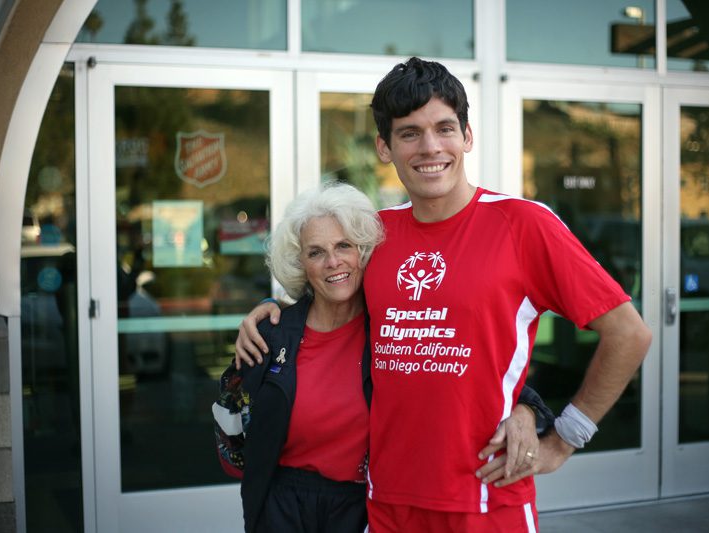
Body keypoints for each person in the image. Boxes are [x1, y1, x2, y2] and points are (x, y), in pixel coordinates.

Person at [235, 58, 652, 532]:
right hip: (388, 504)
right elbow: (333, 299)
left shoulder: (522, 224)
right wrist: (272, 312)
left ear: (467, 136)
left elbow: (628, 333)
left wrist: (562, 437)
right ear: (384, 147)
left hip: (487, 501)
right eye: (409, 133)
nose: (430, 147)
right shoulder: (376, 235)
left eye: (444, 128)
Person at [215, 182, 554, 532]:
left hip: (360, 508)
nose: (333, 262)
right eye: (315, 252)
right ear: (300, 262)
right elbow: (233, 428)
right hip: (282, 506)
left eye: (344, 246)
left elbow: (463, 366)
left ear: (362, 251)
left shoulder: (388, 327)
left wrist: (526, 408)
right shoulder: (271, 333)